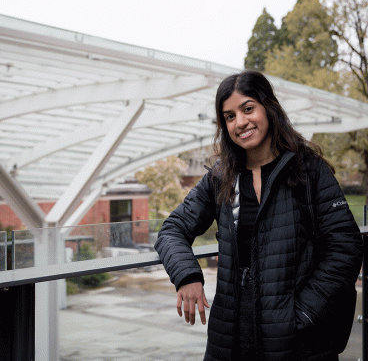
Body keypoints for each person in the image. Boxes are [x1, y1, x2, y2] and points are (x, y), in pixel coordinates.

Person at [154, 70, 364, 361]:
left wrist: (302, 314)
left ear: (269, 107)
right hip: (229, 342)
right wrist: (187, 275)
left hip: (298, 344)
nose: (240, 122)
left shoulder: (309, 171)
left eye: (248, 108)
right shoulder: (220, 178)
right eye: (229, 116)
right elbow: (172, 230)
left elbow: (346, 248)